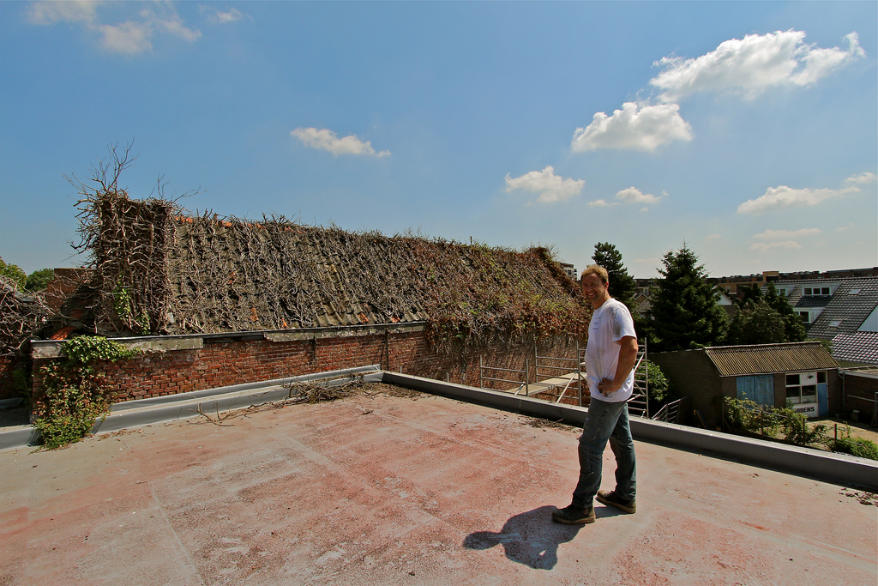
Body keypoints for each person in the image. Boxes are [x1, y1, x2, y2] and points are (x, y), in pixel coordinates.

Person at [552, 264, 638, 524]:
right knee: (622, 441)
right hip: (612, 394)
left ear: (605, 284)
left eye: (593, 285)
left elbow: (631, 347)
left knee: (589, 446)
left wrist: (615, 383)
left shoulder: (615, 310)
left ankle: (582, 506)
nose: (588, 290)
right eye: (584, 286)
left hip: (608, 396)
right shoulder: (600, 311)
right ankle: (625, 496)